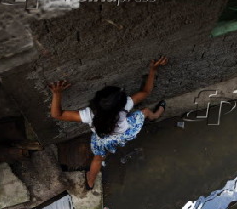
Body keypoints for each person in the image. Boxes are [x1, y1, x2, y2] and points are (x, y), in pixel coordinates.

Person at [49, 56, 168, 189]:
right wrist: (153, 70)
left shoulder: (89, 115)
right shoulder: (125, 107)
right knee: (145, 111)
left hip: (103, 140)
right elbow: (146, 92)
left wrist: (57, 93)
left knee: (98, 158)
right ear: (121, 104)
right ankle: (155, 115)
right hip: (125, 134)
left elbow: (56, 114)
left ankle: (90, 182)